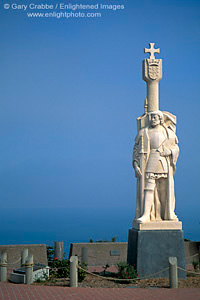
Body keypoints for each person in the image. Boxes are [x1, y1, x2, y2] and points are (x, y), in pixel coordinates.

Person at [133, 111, 179, 223]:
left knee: (164, 189)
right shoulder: (144, 132)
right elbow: (136, 149)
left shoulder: (168, 133)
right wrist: (136, 164)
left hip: (164, 162)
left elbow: (176, 148)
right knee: (148, 188)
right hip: (151, 161)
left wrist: (170, 152)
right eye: (151, 117)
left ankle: (167, 213)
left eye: (155, 117)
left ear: (160, 119)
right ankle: (146, 214)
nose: (153, 119)